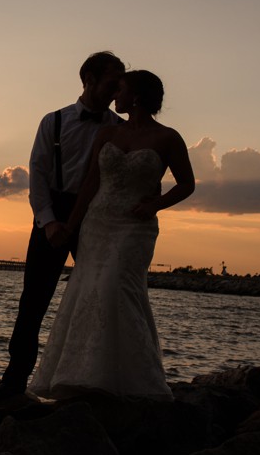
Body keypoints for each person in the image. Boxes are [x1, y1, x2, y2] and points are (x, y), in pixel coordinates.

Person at [28, 70, 195, 399]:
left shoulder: (168, 138)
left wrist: (157, 205)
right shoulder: (107, 134)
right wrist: (71, 225)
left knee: (117, 287)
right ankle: (81, 376)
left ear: (135, 96)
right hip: (97, 223)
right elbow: (91, 183)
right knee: (89, 292)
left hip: (135, 226)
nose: (113, 96)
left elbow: (187, 184)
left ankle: (133, 380)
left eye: (119, 89)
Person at [0, 51, 126, 401]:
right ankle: (15, 379)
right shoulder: (54, 121)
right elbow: (39, 174)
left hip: (97, 216)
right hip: (55, 212)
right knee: (34, 299)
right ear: (89, 79)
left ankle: (96, 378)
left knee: (100, 297)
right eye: (112, 80)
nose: (118, 88)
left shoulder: (121, 129)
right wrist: (48, 223)